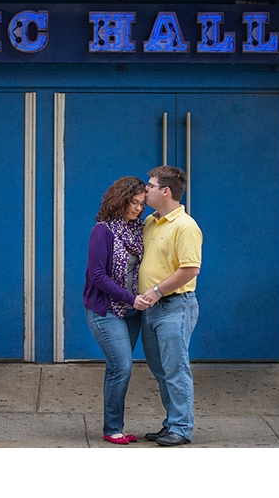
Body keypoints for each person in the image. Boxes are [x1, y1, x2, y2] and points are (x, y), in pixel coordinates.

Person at [137, 166, 203, 446]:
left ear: (166, 191)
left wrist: (155, 291)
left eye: (150, 186)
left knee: (176, 368)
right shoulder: (152, 222)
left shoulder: (185, 226)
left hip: (175, 306)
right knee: (161, 370)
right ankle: (171, 423)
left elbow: (190, 269)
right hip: (151, 309)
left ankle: (181, 428)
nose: (145, 189)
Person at [83, 176, 152, 445]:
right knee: (121, 366)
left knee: (118, 367)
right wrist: (129, 298)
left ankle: (116, 427)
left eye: (141, 204)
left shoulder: (138, 230)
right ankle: (113, 429)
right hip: (106, 310)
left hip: (132, 310)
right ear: (120, 199)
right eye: (133, 202)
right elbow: (97, 275)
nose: (137, 208)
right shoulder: (103, 231)